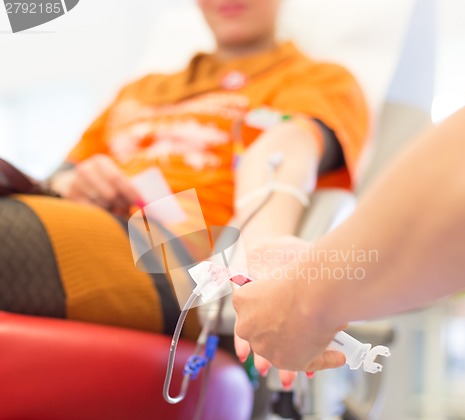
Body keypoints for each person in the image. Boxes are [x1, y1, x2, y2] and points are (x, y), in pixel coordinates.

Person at [0, 0, 368, 351]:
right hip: (78, 222)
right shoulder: (140, 90)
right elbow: (58, 177)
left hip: (180, 260)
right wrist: (73, 184)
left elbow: (288, 147)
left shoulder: (318, 80)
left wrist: (262, 244)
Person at [232, 73, 465, 374]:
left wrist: (299, 294)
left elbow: (286, 144)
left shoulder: (317, 79)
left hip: (192, 260)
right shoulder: (166, 84)